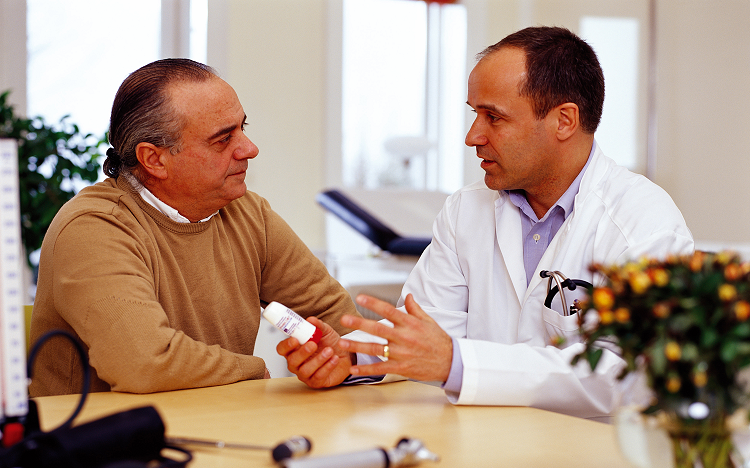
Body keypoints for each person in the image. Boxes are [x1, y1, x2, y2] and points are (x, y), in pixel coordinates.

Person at [277, 26, 694, 421]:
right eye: (474, 113)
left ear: (564, 121)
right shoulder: (467, 209)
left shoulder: (643, 224)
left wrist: (458, 363)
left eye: (493, 117)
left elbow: (622, 371)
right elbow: (431, 327)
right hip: (484, 448)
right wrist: (351, 357)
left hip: (592, 464)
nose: (472, 136)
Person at [28, 59, 358, 396]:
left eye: (243, 128)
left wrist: (341, 359)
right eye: (222, 139)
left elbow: (338, 321)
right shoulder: (93, 228)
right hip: (98, 443)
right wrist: (256, 369)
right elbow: (145, 364)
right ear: (154, 160)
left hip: (220, 430)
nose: (249, 149)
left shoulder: (248, 213)